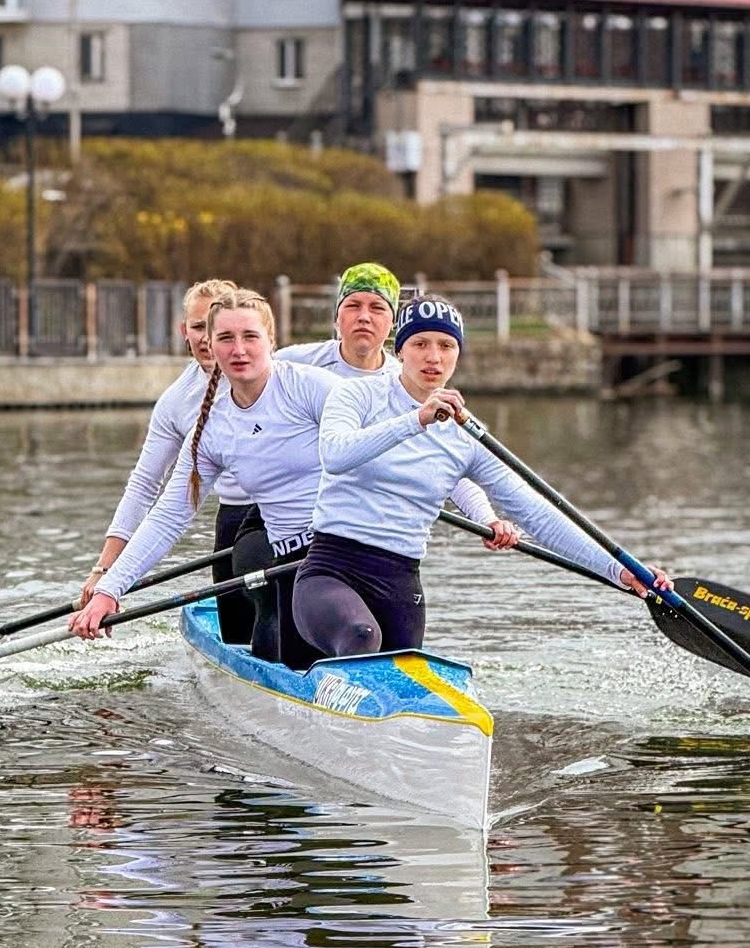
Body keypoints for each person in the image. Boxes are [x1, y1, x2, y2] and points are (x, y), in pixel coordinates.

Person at [71, 290, 521, 668]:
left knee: (380, 649)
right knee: (309, 646)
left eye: (250, 336)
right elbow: (169, 517)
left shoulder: (314, 389)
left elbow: (424, 456)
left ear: (272, 341)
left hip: (353, 551)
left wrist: (484, 515)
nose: (239, 349)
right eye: (226, 338)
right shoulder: (209, 429)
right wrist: (110, 590)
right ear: (209, 345)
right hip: (293, 563)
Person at [292, 296, 670, 661]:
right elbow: (336, 455)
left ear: (458, 354)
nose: (433, 357)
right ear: (400, 349)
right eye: (421, 343)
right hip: (332, 569)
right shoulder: (356, 395)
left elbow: (538, 514)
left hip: (399, 582)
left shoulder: (465, 435)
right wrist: (417, 420)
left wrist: (618, 569)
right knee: (362, 636)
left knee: (403, 669)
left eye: (446, 345)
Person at [80, 276, 261, 644]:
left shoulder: (283, 375)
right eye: (199, 327)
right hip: (236, 524)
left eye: (218, 328)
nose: (208, 338)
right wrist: (105, 571)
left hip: (296, 517)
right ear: (185, 331)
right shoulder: (178, 402)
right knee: (247, 641)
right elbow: (147, 486)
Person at [280, 261, 404, 379]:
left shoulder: (402, 381)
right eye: (353, 306)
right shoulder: (293, 365)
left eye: (377, 308)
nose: (364, 317)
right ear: (337, 317)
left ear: (393, 321)